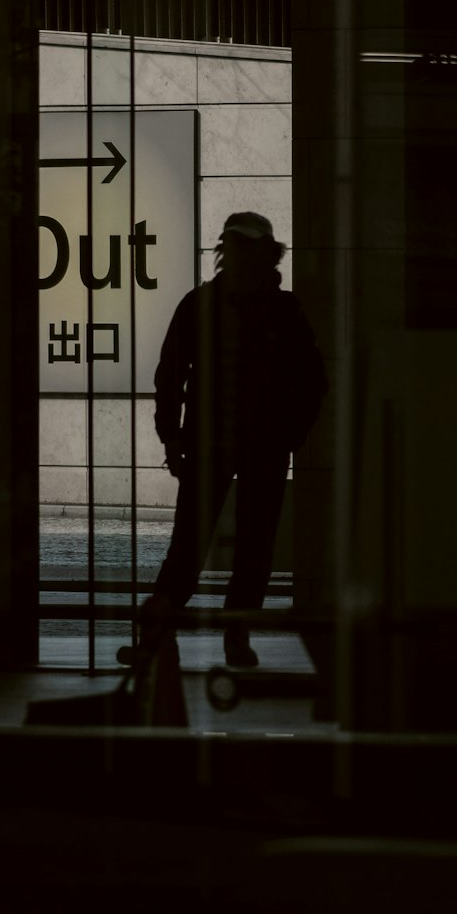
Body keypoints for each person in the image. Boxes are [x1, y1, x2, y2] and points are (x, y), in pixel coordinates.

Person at [120, 212, 327, 671]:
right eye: (235, 247)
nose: (237, 255)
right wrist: (172, 438)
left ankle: (189, 631)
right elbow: (171, 377)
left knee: (229, 547)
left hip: (240, 447)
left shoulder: (221, 306)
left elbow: (312, 382)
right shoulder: (252, 308)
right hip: (238, 448)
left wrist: (174, 438)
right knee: (217, 546)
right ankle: (216, 633)